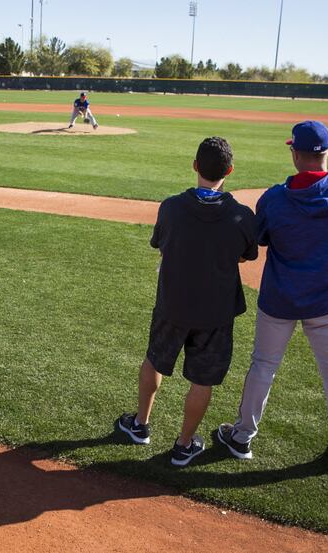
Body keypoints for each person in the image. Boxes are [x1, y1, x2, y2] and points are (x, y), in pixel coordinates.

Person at [217, 121, 328, 474]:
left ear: (295, 154)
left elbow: (260, 240)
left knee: (263, 366)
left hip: (281, 298)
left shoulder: (275, 199)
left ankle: (241, 438)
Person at [115, 137, 258, 467]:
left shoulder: (172, 207)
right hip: (216, 312)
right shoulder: (241, 215)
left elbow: (161, 243)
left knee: (154, 360)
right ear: (230, 171)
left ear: (195, 166)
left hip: (173, 304)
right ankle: (183, 444)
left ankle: (140, 425)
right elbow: (246, 254)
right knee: (202, 379)